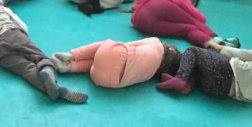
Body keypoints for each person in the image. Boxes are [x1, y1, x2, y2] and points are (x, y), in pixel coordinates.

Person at [0, 4, 88, 103]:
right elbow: (23, 26)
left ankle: (54, 90)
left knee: (26, 69)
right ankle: (46, 69)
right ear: (1, 7)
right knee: (39, 57)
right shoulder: (2, 11)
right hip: (11, 34)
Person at [156, 45, 252, 101]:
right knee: (200, 69)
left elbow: (244, 54)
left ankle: (181, 79)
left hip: (229, 72)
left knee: (192, 51)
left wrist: (220, 48)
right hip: (221, 91)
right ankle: (188, 85)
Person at [130, 0, 240, 48]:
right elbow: (200, 19)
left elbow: (138, 6)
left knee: (187, 29)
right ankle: (215, 38)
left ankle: (209, 43)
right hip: (159, 8)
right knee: (193, 21)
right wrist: (195, 12)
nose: (189, 2)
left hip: (140, 21)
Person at [52, 37, 180, 88]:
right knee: (105, 61)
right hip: (105, 81)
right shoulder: (151, 75)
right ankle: (71, 67)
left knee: (107, 47)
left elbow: (129, 44)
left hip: (110, 55)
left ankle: (74, 55)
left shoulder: (156, 42)